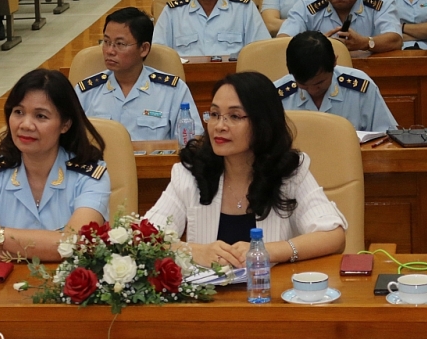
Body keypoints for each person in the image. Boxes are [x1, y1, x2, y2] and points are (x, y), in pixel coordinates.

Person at [144, 71, 347, 268]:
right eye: (214, 114)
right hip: (209, 299)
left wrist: (268, 251)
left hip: (270, 294)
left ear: (262, 123)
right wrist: (192, 251)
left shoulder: (289, 171)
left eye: (234, 116)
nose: (219, 126)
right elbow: (143, 237)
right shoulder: (190, 172)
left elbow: (333, 236)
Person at [0, 69, 111, 263]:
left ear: (65, 124)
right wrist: (50, 248)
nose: (25, 124)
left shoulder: (90, 176)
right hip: (0, 290)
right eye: (18, 112)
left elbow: (76, 244)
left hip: (70, 288)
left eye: (40, 116)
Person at [75, 7, 204, 141]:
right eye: (106, 42)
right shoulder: (86, 92)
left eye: (120, 44)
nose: (110, 51)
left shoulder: (173, 90)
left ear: (143, 49)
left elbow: (191, 141)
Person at [278, 31, 396, 131]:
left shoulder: (361, 88)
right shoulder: (277, 95)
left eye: (319, 83)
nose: (313, 90)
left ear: (334, 62)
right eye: (303, 85)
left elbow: (387, 136)